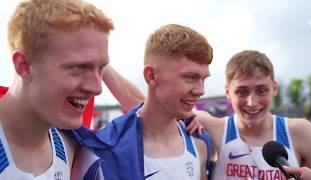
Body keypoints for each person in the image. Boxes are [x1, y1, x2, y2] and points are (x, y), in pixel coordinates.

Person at [0, 0, 144, 179]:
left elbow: (147, 118)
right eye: (79, 67)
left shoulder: (71, 143)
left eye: (101, 68)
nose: (97, 88)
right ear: (24, 66)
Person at [73, 24, 214, 179]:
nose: (200, 90)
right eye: (190, 77)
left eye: (204, 78)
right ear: (151, 76)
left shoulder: (200, 142)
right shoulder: (101, 152)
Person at [189, 50, 311, 179]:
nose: (252, 102)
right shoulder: (216, 128)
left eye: (261, 91)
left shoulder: (300, 131)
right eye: (241, 92)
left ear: (274, 88)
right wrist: (190, 116)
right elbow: (177, 113)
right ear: (228, 92)